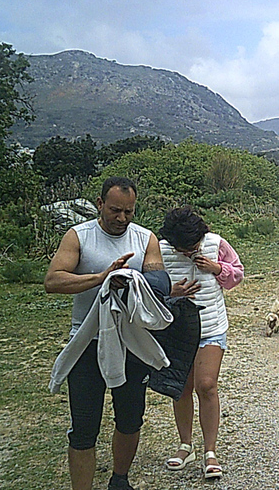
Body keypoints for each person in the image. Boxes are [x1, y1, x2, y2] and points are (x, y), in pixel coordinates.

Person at [44, 176, 165, 490]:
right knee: (84, 428)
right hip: (88, 345)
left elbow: (156, 275)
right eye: (115, 210)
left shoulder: (145, 238)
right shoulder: (79, 236)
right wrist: (101, 278)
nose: (122, 218)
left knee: (130, 419)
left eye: (129, 211)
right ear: (99, 204)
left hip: (131, 345)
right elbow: (53, 281)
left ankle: (120, 480)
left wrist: (154, 284)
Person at [158, 206, 244, 479]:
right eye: (181, 249)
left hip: (211, 326)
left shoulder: (217, 244)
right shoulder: (159, 249)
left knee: (206, 385)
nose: (188, 252)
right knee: (181, 387)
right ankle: (186, 445)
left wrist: (217, 267)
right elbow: (147, 285)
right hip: (177, 329)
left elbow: (237, 275)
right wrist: (170, 292)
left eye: (192, 247)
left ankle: (210, 451)